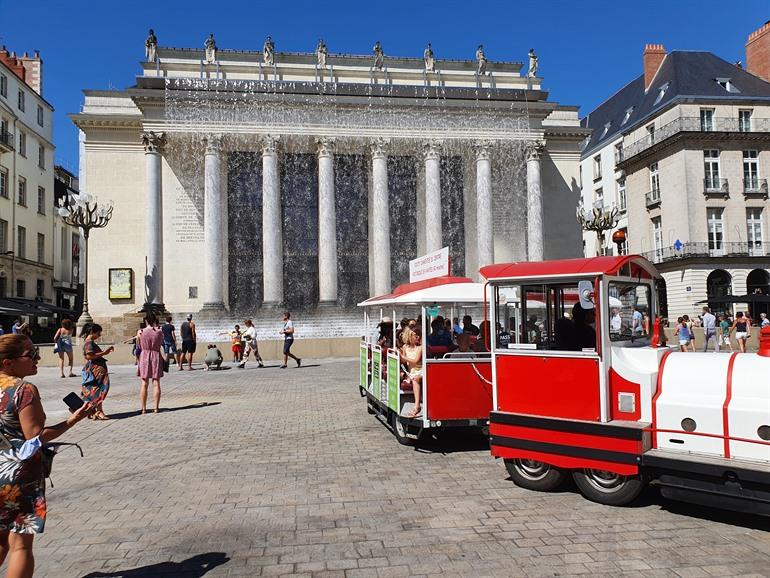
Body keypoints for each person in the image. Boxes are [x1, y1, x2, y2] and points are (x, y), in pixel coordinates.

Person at [0, 334, 94, 576]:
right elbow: (35, 436)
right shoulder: (23, 390)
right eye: (30, 354)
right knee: (20, 545)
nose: (38, 358)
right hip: (17, 476)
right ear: (7, 363)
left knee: (0, 540)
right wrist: (72, 420)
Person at [81, 323, 114, 420]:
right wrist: (105, 353)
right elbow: (90, 356)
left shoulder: (88, 342)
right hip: (97, 370)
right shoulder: (89, 342)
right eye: (98, 333)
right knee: (100, 390)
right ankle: (99, 411)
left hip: (95, 369)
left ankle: (93, 411)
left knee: (95, 391)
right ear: (92, 332)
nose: (99, 335)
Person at [137, 313, 164, 414]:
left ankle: (143, 408)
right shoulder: (159, 332)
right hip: (156, 356)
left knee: (144, 383)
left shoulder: (141, 332)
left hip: (144, 356)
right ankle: (156, 408)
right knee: (156, 383)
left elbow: (139, 345)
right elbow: (161, 342)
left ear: (146, 321)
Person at [400, 328, 423, 418]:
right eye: (415, 335)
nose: (417, 337)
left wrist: (402, 356)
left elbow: (415, 361)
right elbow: (404, 361)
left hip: (421, 370)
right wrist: (398, 353)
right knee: (414, 378)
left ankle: (417, 406)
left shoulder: (420, 348)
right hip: (411, 372)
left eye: (418, 335)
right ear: (409, 336)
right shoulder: (405, 347)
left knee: (416, 379)